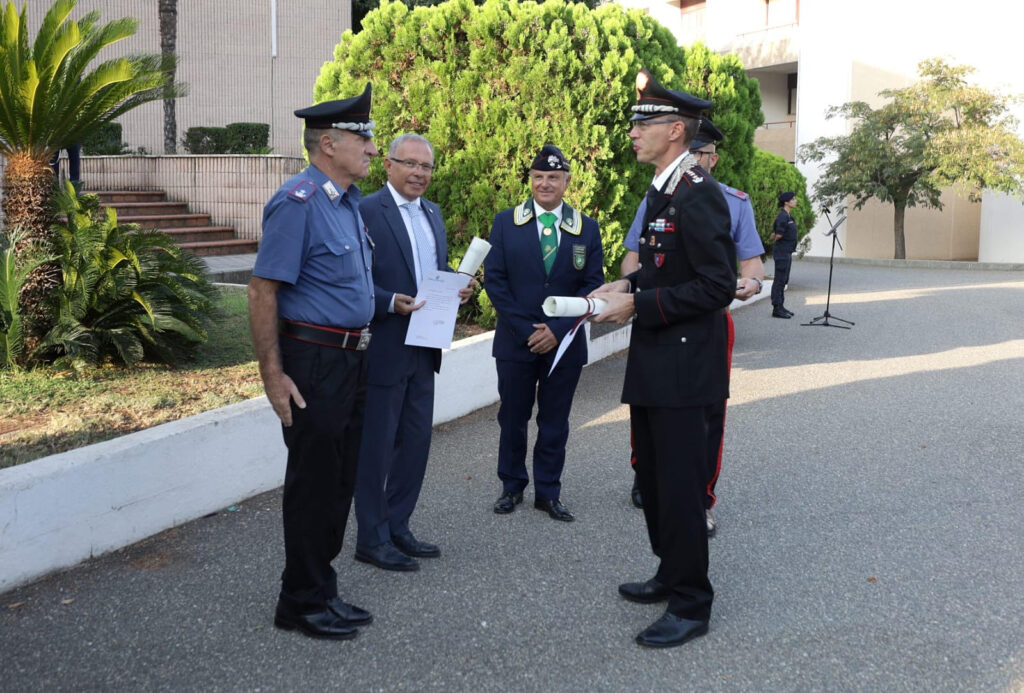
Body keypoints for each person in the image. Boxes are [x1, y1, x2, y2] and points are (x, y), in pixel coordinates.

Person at [591, 69, 736, 648]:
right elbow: (658, 269)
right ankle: (669, 570)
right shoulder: (661, 190)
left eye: (642, 124)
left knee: (678, 485)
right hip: (656, 360)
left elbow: (716, 285)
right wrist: (618, 289)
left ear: (675, 130)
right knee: (652, 479)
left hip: (682, 366)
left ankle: (692, 602)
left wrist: (639, 305)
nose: (632, 133)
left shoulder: (698, 194)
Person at [247, 83, 378, 641]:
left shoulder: (346, 205)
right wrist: (273, 376)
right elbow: (261, 291)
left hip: (352, 360)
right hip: (314, 361)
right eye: (363, 138)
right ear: (329, 143)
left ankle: (321, 587)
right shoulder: (297, 202)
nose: (373, 148)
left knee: (340, 480)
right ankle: (298, 601)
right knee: (313, 483)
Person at [621, 119, 766, 537]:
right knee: (653, 432)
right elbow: (641, 257)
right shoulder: (658, 193)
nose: (696, 161)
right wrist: (628, 288)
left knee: (701, 425)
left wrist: (751, 283)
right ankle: (652, 486)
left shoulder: (726, 200)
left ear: (710, 158)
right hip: (658, 322)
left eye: (701, 155)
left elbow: (744, 265)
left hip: (697, 327)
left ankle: (699, 499)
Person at [353, 133, 473, 572]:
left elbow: (431, 272)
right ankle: (371, 536)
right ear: (388, 164)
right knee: (377, 446)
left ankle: (398, 525)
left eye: (427, 167)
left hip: (426, 344)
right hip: (385, 344)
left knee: (416, 442)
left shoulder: (433, 214)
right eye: (411, 164)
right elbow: (356, 280)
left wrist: (454, 288)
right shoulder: (365, 210)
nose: (420, 173)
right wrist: (388, 301)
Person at [484, 145, 604, 522]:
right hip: (515, 342)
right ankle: (512, 486)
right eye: (538, 177)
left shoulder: (586, 227)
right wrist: (526, 331)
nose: (545, 184)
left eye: (553, 177)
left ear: (567, 182)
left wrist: (555, 329)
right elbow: (496, 282)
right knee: (513, 417)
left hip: (564, 344)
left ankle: (548, 492)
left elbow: (593, 285)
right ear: (530, 181)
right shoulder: (506, 223)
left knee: (555, 420)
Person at [771, 191, 799, 318]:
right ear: (786, 202)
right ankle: (776, 308)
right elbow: (778, 235)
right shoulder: (783, 216)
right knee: (779, 280)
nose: (795, 201)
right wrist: (776, 237)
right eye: (793, 199)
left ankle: (781, 306)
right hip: (782, 252)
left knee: (784, 280)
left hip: (787, 252)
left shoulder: (789, 216)